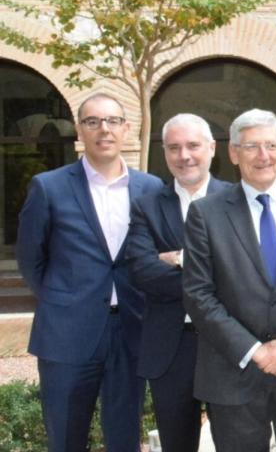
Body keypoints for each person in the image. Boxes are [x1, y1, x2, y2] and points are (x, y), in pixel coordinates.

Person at [182, 108, 276, 452]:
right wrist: (254, 350)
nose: (263, 156)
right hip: (231, 373)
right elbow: (198, 294)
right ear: (234, 153)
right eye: (251, 146)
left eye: (271, 145)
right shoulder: (205, 214)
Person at [17, 92, 163, 452]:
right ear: (80, 130)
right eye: (93, 121)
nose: (104, 130)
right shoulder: (49, 187)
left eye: (113, 121)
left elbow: (154, 256)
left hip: (130, 330)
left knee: (124, 437)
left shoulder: (151, 188)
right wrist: (64, 299)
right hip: (68, 333)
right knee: (65, 436)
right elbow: (29, 258)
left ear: (127, 129)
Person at [124, 114, 231, 452]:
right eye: (174, 148)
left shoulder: (238, 201)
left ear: (212, 148)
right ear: (165, 153)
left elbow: (247, 272)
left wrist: (179, 259)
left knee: (238, 443)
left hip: (229, 343)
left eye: (193, 146)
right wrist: (211, 270)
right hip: (171, 349)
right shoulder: (146, 206)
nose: (184, 155)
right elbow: (143, 272)